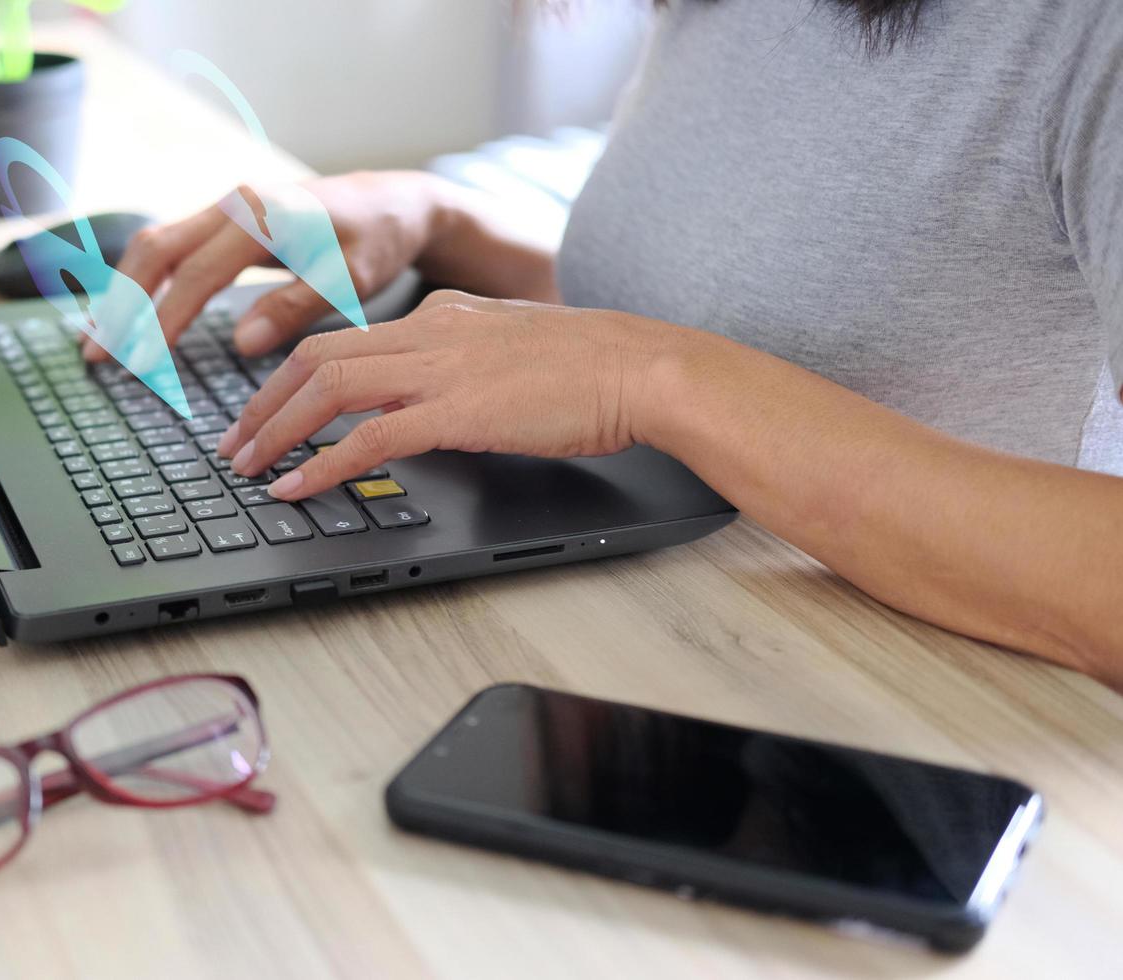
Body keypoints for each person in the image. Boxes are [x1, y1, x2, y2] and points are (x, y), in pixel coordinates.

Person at [86, 0, 1123, 689]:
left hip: (934, 733)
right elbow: (747, 303)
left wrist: (650, 377)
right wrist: (438, 221)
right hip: (666, 640)